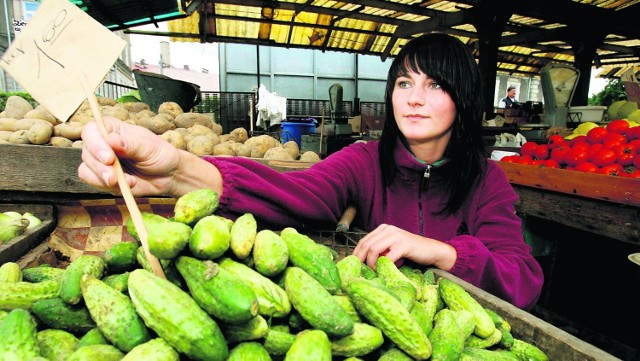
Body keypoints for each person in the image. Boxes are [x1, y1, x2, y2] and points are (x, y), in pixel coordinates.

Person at [78, 33, 544, 310]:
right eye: (404, 83)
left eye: (434, 85)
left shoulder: (487, 180)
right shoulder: (365, 161)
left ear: (463, 98)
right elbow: (295, 192)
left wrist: (442, 252)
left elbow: (521, 277)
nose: (414, 98)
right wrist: (177, 169)